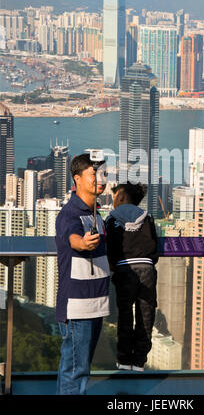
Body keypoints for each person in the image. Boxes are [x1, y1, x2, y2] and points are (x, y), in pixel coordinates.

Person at [55, 153, 110, 395]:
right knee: (75, 372)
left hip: (95, 303)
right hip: (78, 307)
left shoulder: (96, 214)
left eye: (104, 174)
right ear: (77, 179)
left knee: (80, 369)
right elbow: (73, 238)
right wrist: (83, 243)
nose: (101, 179)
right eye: (94, 174)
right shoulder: (71, 212)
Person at [105, 182, 159, 371]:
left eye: (113, 197)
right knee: (146, 315)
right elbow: (155, 246)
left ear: (120, 197)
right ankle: (139, 360)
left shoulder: (111, 220)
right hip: (147, 270)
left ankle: (124, 360)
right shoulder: (148, 218)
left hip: (124, 270)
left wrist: (114, 265)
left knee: (125, 316)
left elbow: (109, 247)